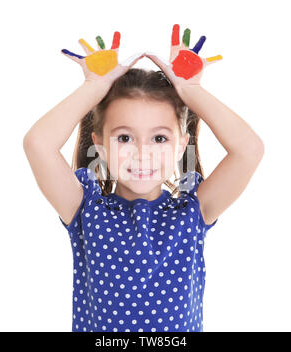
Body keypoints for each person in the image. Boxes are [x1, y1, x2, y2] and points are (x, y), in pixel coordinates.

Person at [23, 25, 264, 332]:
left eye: (159, 139)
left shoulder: (194, 211)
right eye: (124, 138)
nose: (142, 153)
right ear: (100, 145)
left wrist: (191, 90)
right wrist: (94, 87)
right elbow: (38, 143)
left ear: (180, 145)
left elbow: (250, 150)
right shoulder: (83, 208)